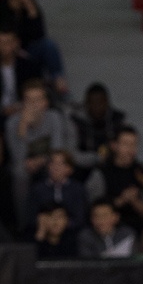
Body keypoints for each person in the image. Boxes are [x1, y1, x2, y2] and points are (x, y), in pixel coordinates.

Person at [5, 78, 66, 230]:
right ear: (22, 103)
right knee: (19, 173)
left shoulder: (54, 117)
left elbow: (57, 150)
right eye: (29, 100)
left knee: (56, 168)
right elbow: (18, 157)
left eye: (38, 100)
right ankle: (24, 225)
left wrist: (41, 160)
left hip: (48, 162)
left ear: (45, 102)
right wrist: (23, 127)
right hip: (24, 166)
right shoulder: (12, 123)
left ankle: (56, 221)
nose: (34, 105)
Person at [0, 0, 67, 95]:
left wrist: (30, 8)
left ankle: (58, 80)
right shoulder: (2, 7)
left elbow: (39, 35)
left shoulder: (32, 7)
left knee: (48, 45)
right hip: (6, 49)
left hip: (27, 50)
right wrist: (13, 47)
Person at [90, 125, 143, 233]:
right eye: (126, 144)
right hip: (109, 229)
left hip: (139, 228)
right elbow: (93, 209)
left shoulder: (142, 172)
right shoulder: (101, 172)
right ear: (114, 145)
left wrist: (136, 200)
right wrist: (121, 200)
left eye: (134, 144)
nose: (131, 149)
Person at [66, 82, 126, 180]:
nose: (97, 107)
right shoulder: (76, 120)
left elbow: (125, 150)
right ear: (86, 103)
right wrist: (97, 158)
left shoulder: (117, 120)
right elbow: (71, 155)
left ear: (107, 102)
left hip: (110, 166)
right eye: (93, 103)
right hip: (81, 167)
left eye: (100, 102)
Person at [27, 148, 87, 232]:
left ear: (69, 169)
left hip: (71, 232)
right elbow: (31, 217)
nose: (56, 167)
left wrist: (61, 225)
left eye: (60, 164)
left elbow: (80, 218)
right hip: (44, 231)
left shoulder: (77, 189)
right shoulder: (37, 189)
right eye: (53, 163)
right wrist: (48, 225)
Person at [0, 28, 40, 119]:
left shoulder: (29, 66)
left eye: (8, 42)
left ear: (16, 43)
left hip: (23, 110)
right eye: (1, 42)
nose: (4, 46)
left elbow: (36, 90)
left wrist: (19, 107)